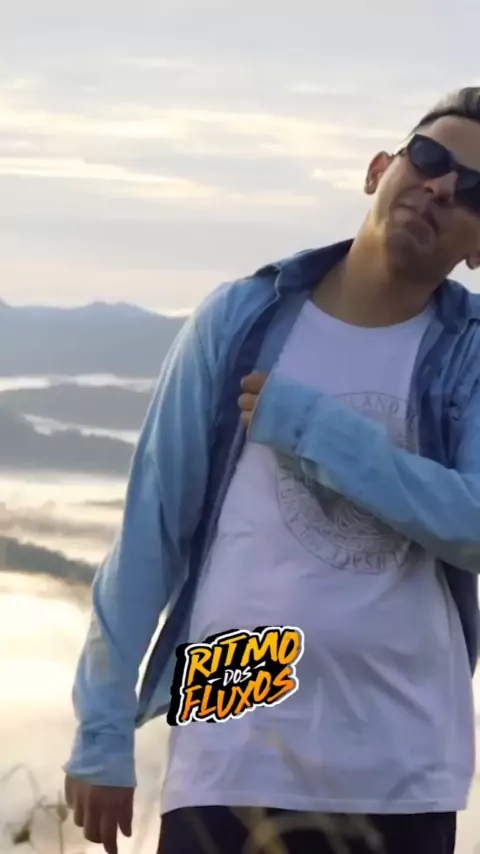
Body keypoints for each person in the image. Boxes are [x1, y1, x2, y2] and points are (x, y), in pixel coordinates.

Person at [64, 87, 480, 854]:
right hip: (230, 737)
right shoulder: (241, 320)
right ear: (378, 169)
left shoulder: (470, 352)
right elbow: (152, 532)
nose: (442, 187)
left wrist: (321, 434)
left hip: (400, 759)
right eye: (429, 158)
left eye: (475, 192)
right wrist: (102, 731)